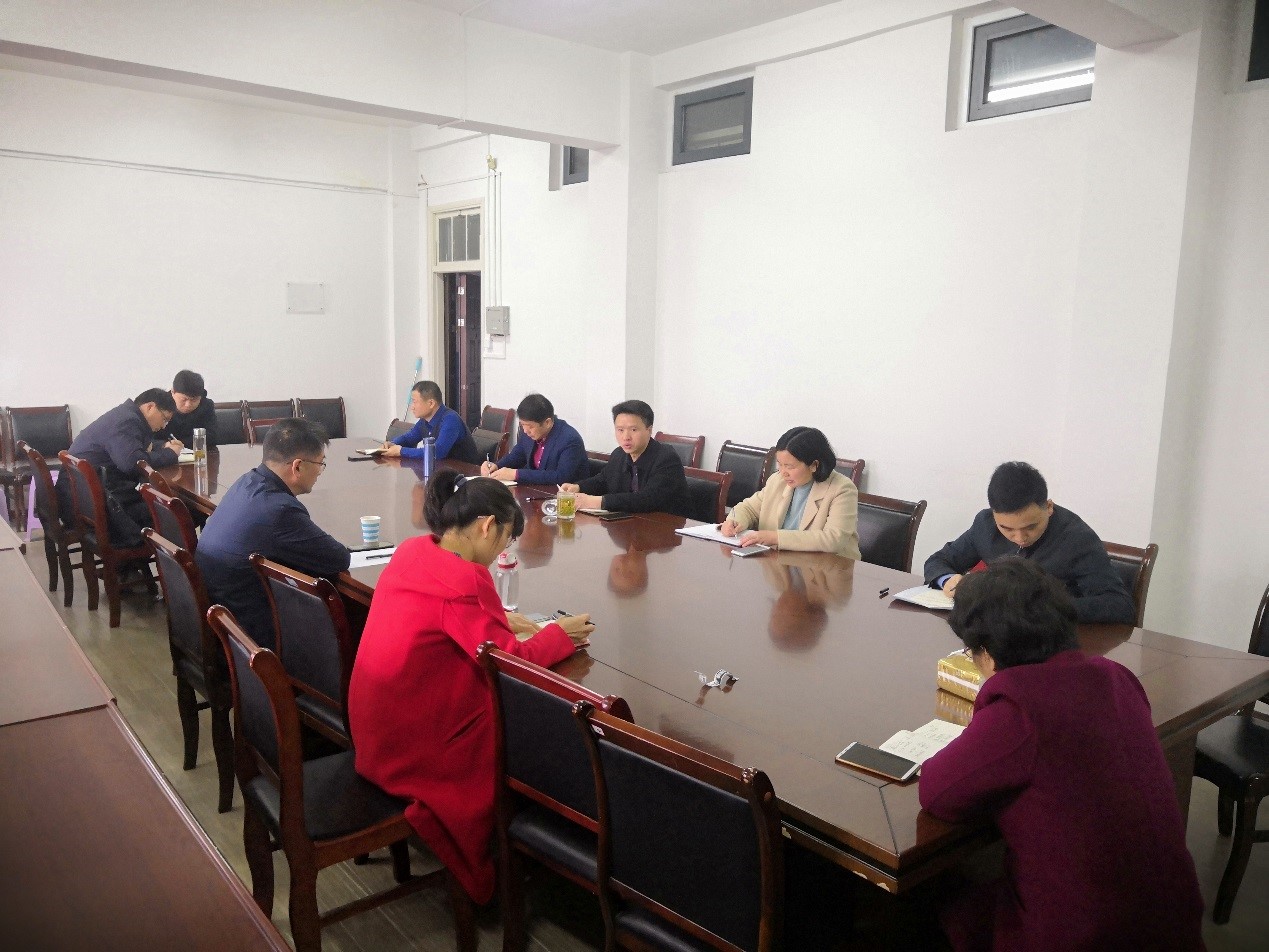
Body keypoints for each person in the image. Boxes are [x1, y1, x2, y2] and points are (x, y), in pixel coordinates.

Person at [919, 558, 1205, 951]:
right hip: (1174, 922)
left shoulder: (1019, 709)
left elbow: (937, 793)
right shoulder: (1117, 678)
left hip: (1085, 936)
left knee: (938, 901)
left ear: (988, 652)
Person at [347, 471, 594, 905]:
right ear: (486, 525)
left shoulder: (414, 550)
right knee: (534, 723)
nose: (502, 552)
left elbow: (454, 618)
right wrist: (561, 634)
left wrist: (499, 617)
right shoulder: (466, 581)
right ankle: (538, 848)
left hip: (372, 728)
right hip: (412, 749)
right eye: (506, 539)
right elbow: (509, 660)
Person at [196, 418, 350, 649]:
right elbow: (338, 558)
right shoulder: (280, 510)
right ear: (298, 467)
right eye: (320, 463)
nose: (320, 471)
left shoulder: (247, 481)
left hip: (221, 620)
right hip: (251, 637)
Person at [923, 461, 1135, 624]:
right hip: (998, 635)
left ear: (1049, 507)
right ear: (994, 514)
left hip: (1055, 641)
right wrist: (947, 580)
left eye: (1031, 527)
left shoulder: (1077, 539)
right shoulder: (984, 525)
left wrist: (1041, 608)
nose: (1020, 538)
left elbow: (1119, 605)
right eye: (1007, 529)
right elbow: (938, 561)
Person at [57, 389, 182, 541]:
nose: (164, 426)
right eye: (164, 419)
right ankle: (177, 554)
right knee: (174, 514)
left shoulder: (124, 415)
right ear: (150, 407)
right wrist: (171, 454)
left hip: (80, 502)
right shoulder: (127, 422)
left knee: (167, 511)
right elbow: (132, 463)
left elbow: (132, 446)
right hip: (99, 509)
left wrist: (161, 446)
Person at [720, 426, 860, 558]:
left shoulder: (842, 489)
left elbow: (833, 539)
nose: (783, 473)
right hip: (781, 563)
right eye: (779, 464)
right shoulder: (777, 481)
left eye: (789, 466)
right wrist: (734, 521)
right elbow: (749, 508)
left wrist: (775, 537)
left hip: (827, 569)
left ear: (814, 465)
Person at [560, 400, 687, 515]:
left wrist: (596, 501)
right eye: (620, 430)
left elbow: (648, 499)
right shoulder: (619, 454)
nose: (626, 437)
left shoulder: (666, 458)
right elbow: (603, 480)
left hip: (666, 526)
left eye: (633, 430)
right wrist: (578, 487)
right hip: (632, 523)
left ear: (649, 430)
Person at [480, 393, 587, 484]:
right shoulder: (529, 433)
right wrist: (496, 466)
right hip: (535, 492)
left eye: (530, 426)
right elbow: (516, 456)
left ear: (547, 422)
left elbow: (561, 477)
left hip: (566, 497)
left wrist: (517, 474)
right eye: (522, 425)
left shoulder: (569, 440)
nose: (526, 431)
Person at [380, 381, 481, 465]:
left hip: (464, 474)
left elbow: (437, 452)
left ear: (431, 403)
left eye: (415, 402)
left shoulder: (450, 419)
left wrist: (401, 451)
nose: (412, 407)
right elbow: (409, 438)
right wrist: (393, 443)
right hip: (441, 469)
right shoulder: (424, 420)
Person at [158, 369, 217, 449]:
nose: (188, 405)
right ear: (172, 392)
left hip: (197, 453)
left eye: (194, 400)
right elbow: (150, 438)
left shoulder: (206, 405)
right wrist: (164, 445)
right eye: (183, 399)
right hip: (165, 452)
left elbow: (212, 436)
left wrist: (181, 444)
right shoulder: (160, 406)